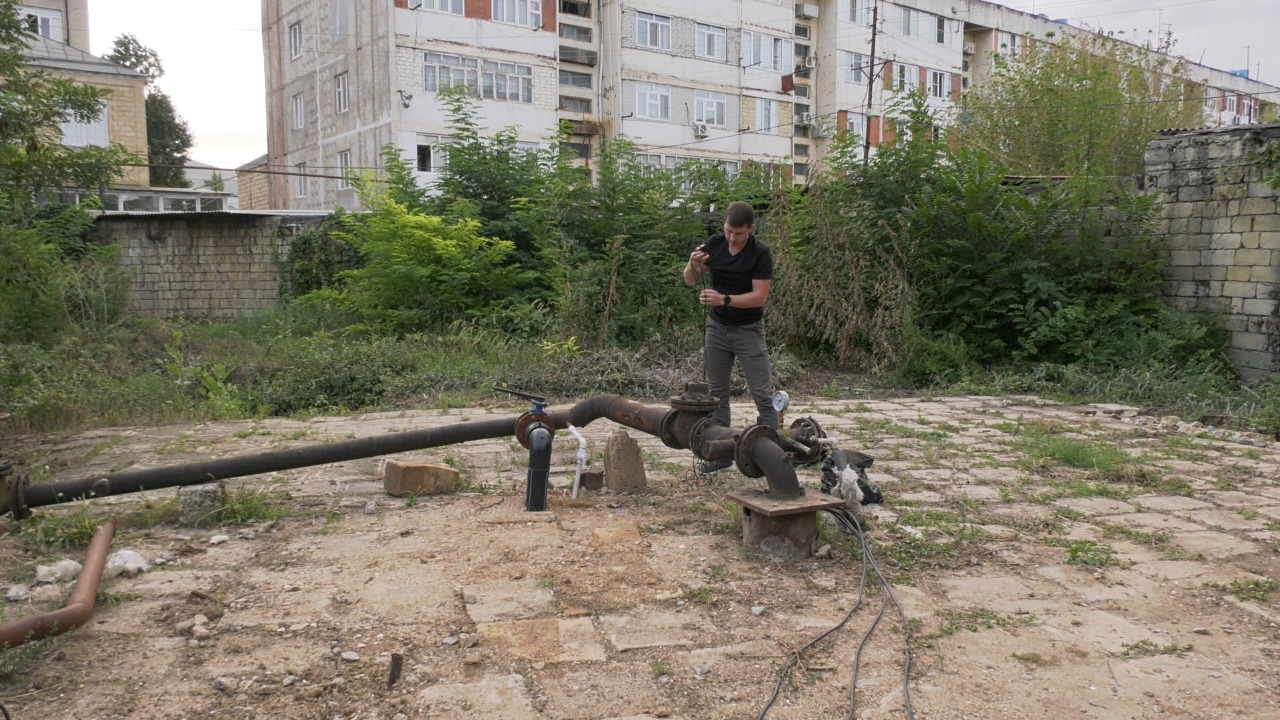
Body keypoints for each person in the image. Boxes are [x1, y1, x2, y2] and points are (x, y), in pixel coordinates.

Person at [683, 201, 778, 474]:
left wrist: (723, 299)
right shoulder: (714, 244)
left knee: (762, 394)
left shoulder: (760, 253)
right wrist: (692, 264)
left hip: (748, 329)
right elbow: (690, 280)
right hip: (717, 328)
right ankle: (721, 454)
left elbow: (759, 297)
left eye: (738, 233)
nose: (732, 238)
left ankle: (774, 455)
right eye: (728, 231)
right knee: (717, 394)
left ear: (751, 229)